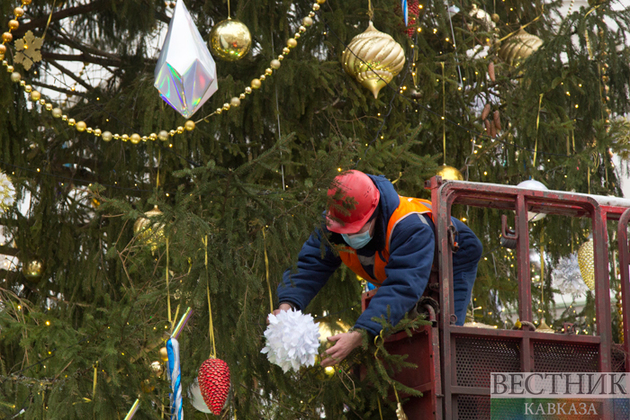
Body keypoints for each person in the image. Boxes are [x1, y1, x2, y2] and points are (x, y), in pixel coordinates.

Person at [275, 170, 482, 367]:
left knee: (441, 338)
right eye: (344, 230)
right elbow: (311, 263)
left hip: (455, 257)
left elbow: (402, 286)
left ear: (375, 213)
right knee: (389, 327)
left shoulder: (410, 227)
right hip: (394, 264)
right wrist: (287, 307)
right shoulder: (334, 220)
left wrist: (359, 333)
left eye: (356, 230)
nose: (349, 236)